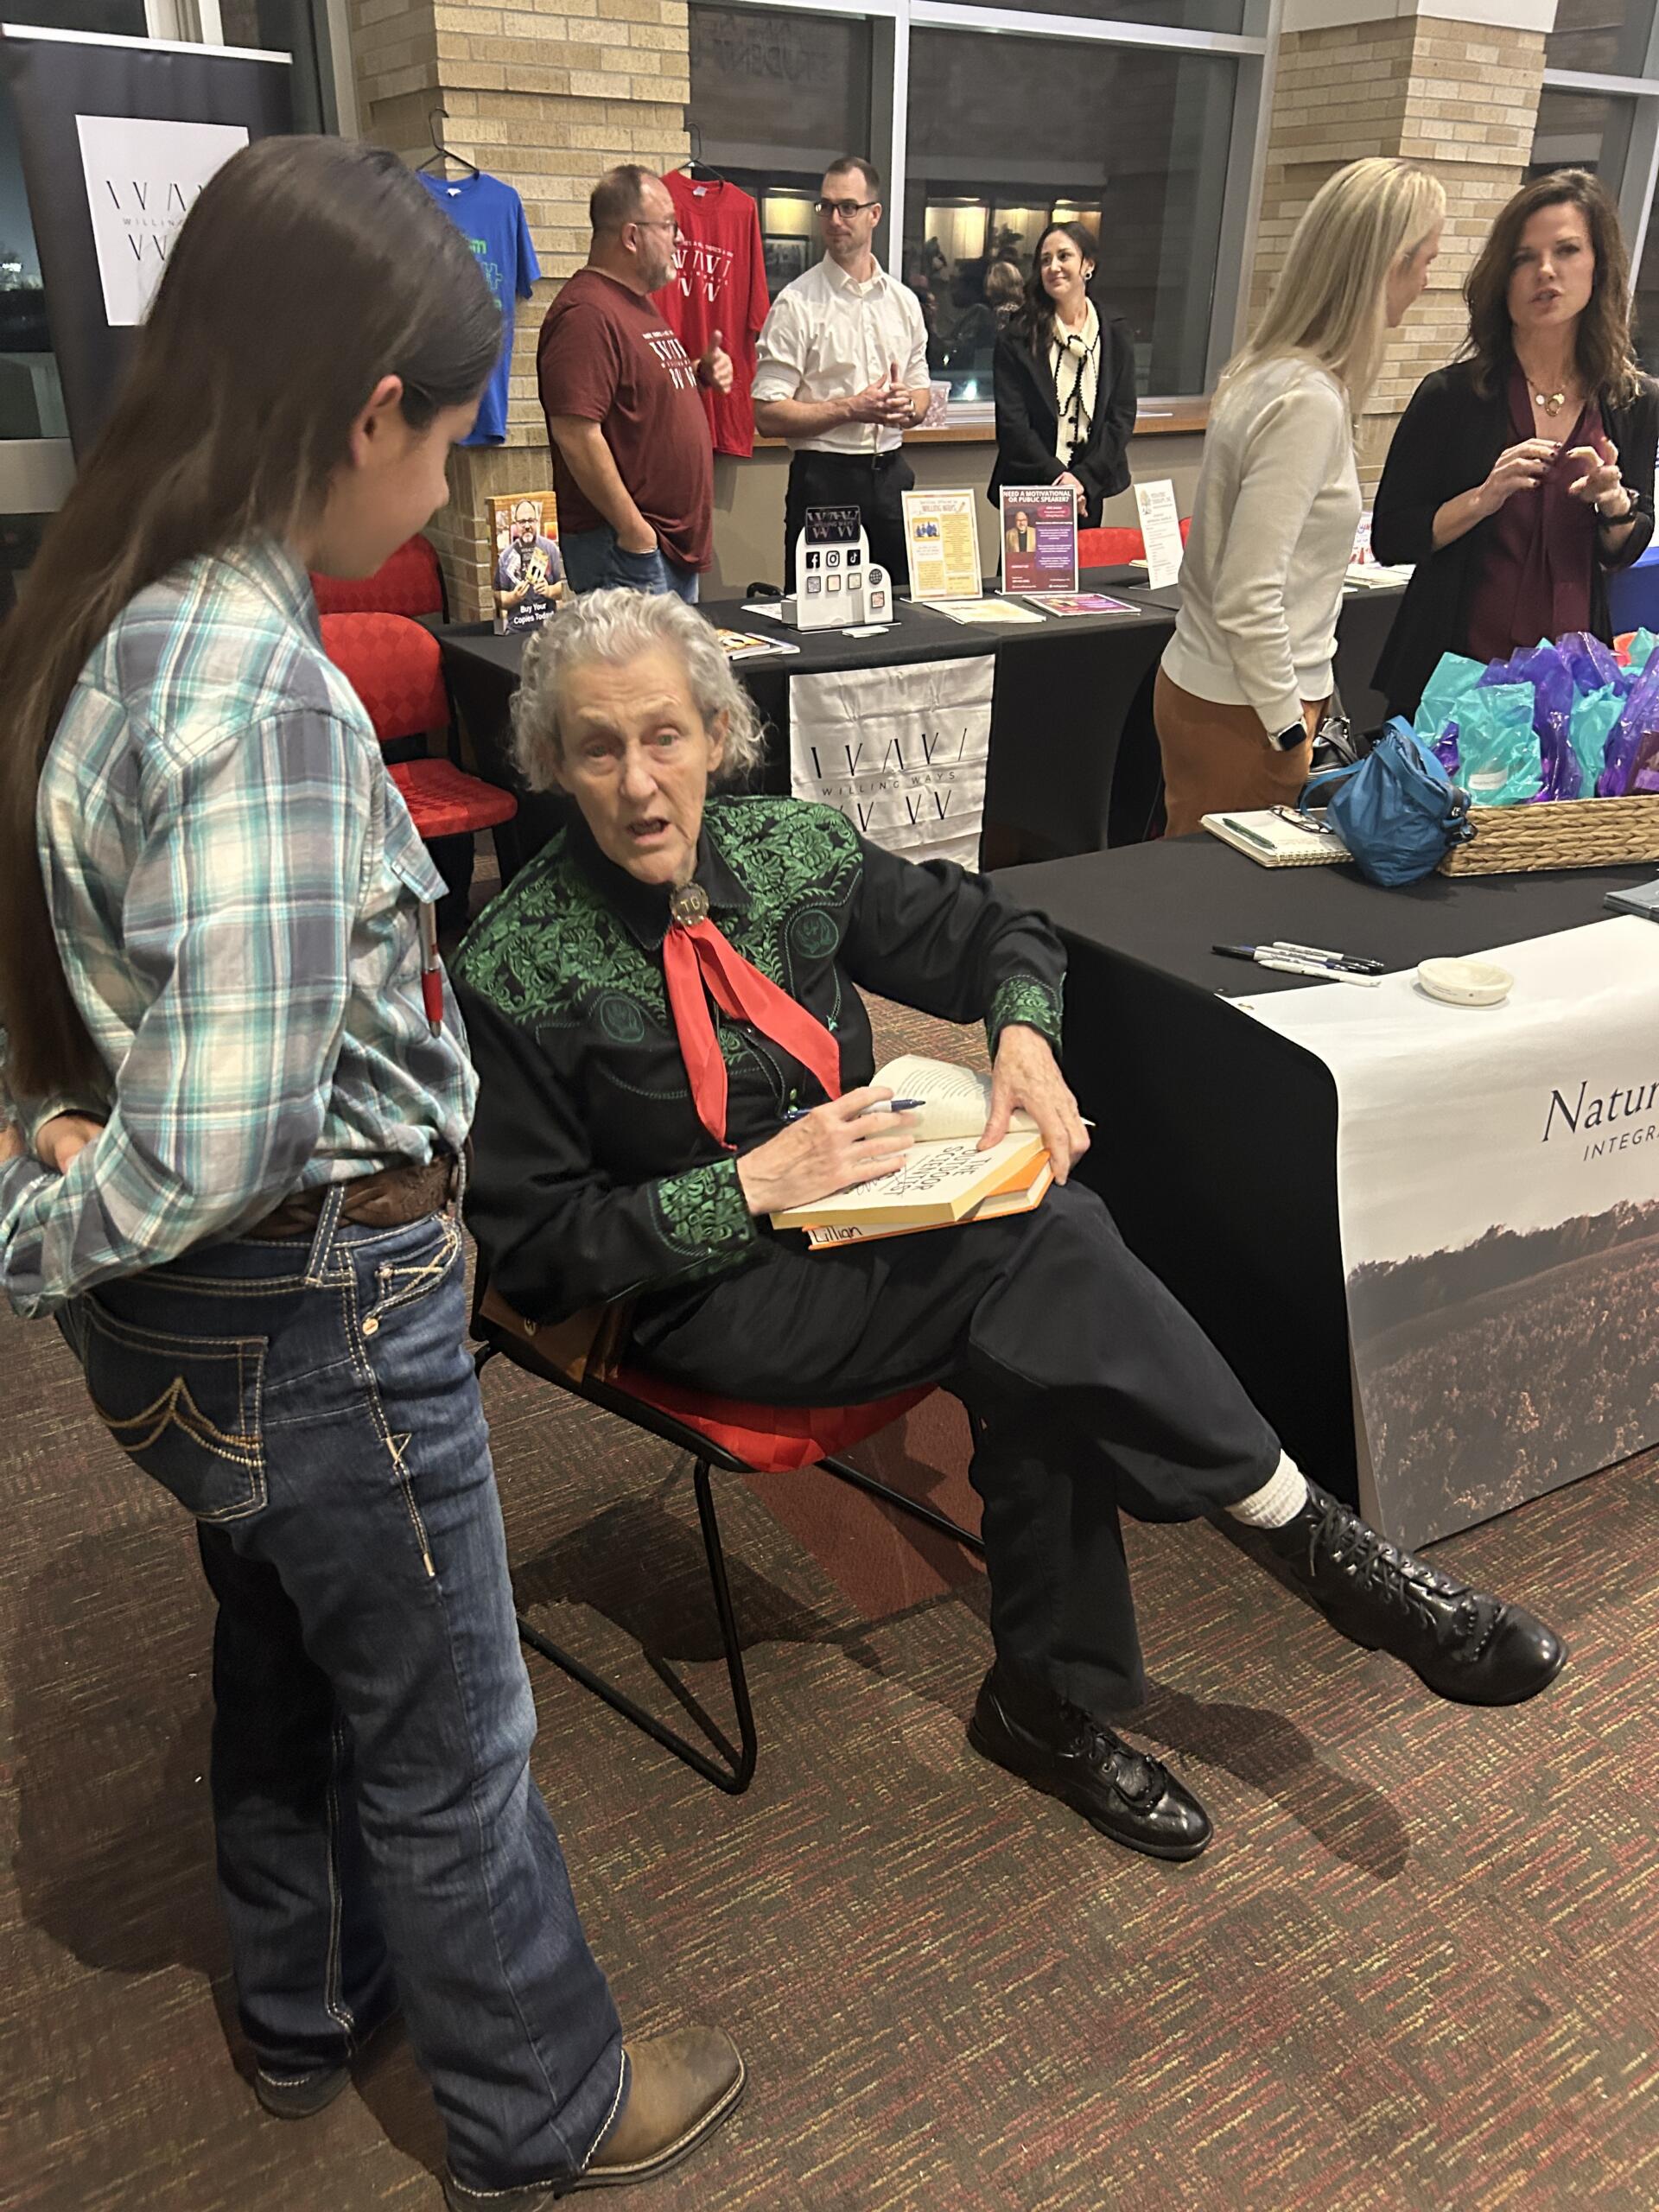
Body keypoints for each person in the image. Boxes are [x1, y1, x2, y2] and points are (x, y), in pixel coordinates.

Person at [0, 139, 741, 2211]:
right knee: (448, 1728)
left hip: (209, 1326)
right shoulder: (261, 696)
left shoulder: (111, 613)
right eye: (450, 435)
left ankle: (303, 1990)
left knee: (283, 1640)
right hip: (317, 1293)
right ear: (361, 417)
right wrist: (35, 1228)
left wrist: (71, 1198)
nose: (451, 485)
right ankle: (539, 2104)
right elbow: (220, 1132)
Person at [452, 588, 1565, 1869]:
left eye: (664, 737)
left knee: (1033, 1314)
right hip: (706, 1293)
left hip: (867, 1225)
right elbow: (532, 1258)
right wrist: (749, 1186)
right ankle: (1308, 1544)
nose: (640, 782)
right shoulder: (512, 963)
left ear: (715, 731)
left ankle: (1056, 1704)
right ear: (552, 763)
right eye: (598, 748)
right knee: (1038, 1248)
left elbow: (997, 930)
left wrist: (1023, 1039)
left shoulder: (790, 851)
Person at [1154, 158, 1445, 836]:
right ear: (1387, 266)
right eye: (1424, 262)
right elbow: (1248, 592)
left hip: (1222, 692)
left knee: (1192, 891)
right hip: (1246, 709)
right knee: (1213, 909)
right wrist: (1290, 732)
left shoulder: (1270, 373)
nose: (1428, 283)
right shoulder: (1305, 398)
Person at [1371, 168, 1659, 721]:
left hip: (1571, 694)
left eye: (1567, 250)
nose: (1545, 271)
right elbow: (1393, 537)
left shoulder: (1631, 401)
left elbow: (1621, 549)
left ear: (1599, 267)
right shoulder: (1452, 396)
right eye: (1524, 257)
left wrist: (1614, 505)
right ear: (1502, 277)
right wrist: (1483, 498)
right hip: (1450, 680)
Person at [537, 165, 734, 603]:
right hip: (627, 551)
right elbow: (574, 431)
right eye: (669, 226)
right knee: (640, 674)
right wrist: (634, 533)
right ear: (631, 236)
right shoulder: (587, 313)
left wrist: (699, 375)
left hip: (662, 549)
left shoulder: (635, 305)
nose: (679, 239)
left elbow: (639, 404)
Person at [752, 156, 931, 592]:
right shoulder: (797, 304)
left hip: (892, 476)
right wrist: (853, 408)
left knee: (904, 611)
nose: (835, 219)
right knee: (825, 620)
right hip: (825, 481)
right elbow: (767, 414)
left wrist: (908, 406)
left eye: (848, 207)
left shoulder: (904, 302)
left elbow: (922, 389)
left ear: (875, 214)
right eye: (826, 207)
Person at [989, 220, 1137, 529]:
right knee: (1028, 579)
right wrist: (1058, 481)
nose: (1053, 267)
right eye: (1045, 260)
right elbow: (1013, 426)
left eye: (1064, 256)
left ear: (1088, 265)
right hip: (1031, 487)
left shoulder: (1115, 332)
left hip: (1088, 489)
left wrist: (1082, 480)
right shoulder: (1017, 336)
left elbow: (1120, 417)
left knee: (1086, 576)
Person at [493, 496, 564, 627]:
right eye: (522, 522)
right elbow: (498, 597)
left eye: (531, 520)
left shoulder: (551, 549)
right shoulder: (505, 556)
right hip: (516, 628)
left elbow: (563, 588)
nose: (527, 526)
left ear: (537, 522)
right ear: (516, 524)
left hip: (548, 626)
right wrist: (514, 597)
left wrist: (549, 590)